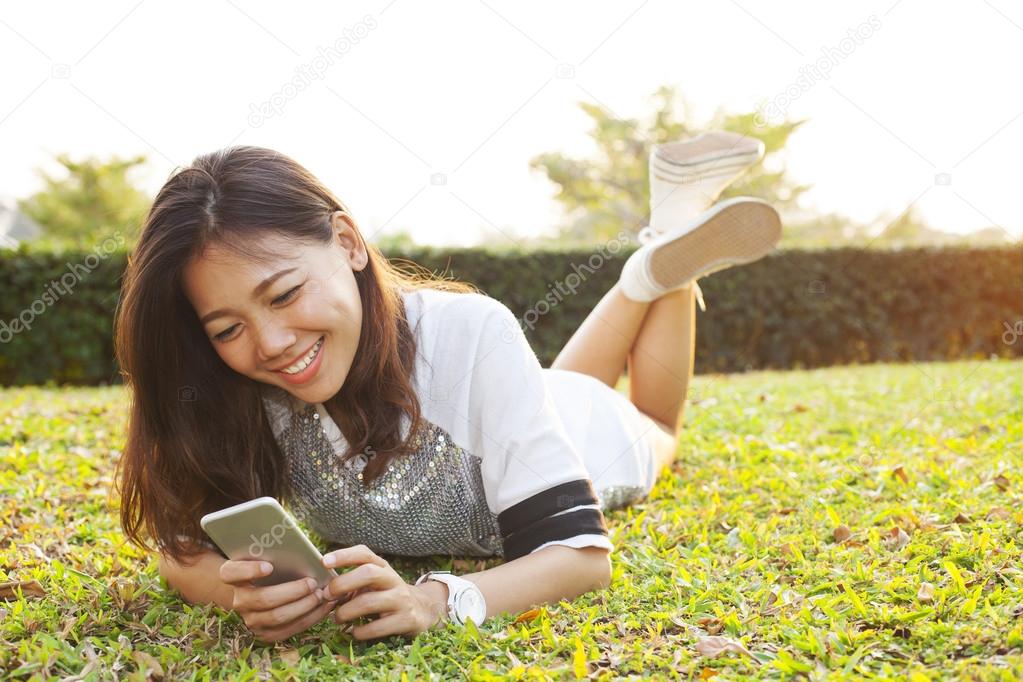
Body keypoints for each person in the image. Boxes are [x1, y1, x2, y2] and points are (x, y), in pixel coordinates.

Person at [114, 133, 780, 644]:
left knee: (654, 423)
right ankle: (654, 254)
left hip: (586, 433)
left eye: (285, 293)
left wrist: (435, 599)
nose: (272, 344)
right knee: (558, 385)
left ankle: (661, 253)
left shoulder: (468, 333)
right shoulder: (238, 385)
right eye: (228, 327)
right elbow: (182, 553)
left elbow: (581, 560)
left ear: (346, 241)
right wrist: (245, 595)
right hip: (522, 404)